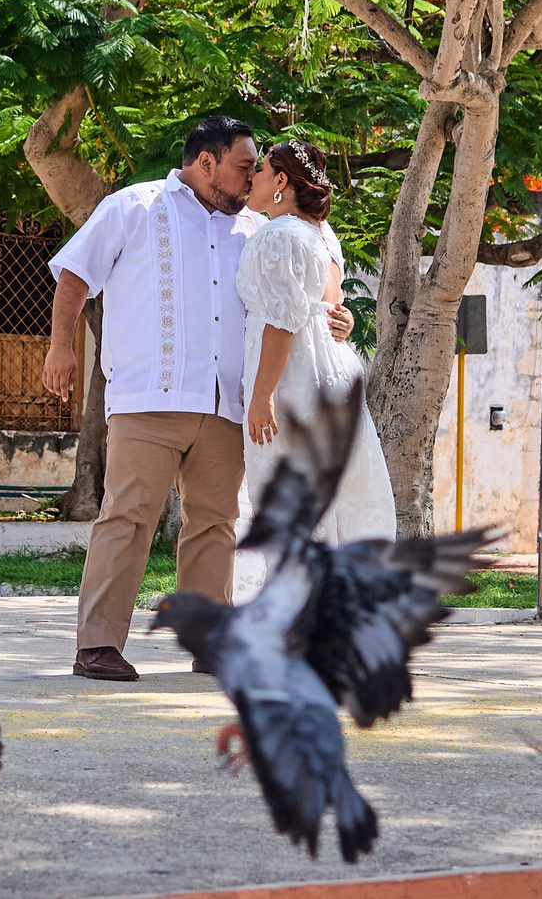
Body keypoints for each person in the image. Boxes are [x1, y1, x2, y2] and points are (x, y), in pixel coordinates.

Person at [40, 116, 353, 681]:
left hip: (228, 405)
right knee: (127, 518)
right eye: (242, 167)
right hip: (147, 398)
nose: (251, 177)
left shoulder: (257, 229)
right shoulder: (133, 206)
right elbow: (74, 274)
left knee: (215, 524)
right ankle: (99, 645)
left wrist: (333, 317)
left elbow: (292, 300)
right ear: (205, 162)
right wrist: (60, 347)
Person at [232, 140, 395, 600]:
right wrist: (347, 319)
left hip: (294, 378)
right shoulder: (323, 234)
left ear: (281, 182)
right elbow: (332, 307)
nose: (252, 179)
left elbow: (283, 322)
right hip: (335, 372)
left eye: (261, 170)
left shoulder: (278, 235)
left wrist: (261, 396)